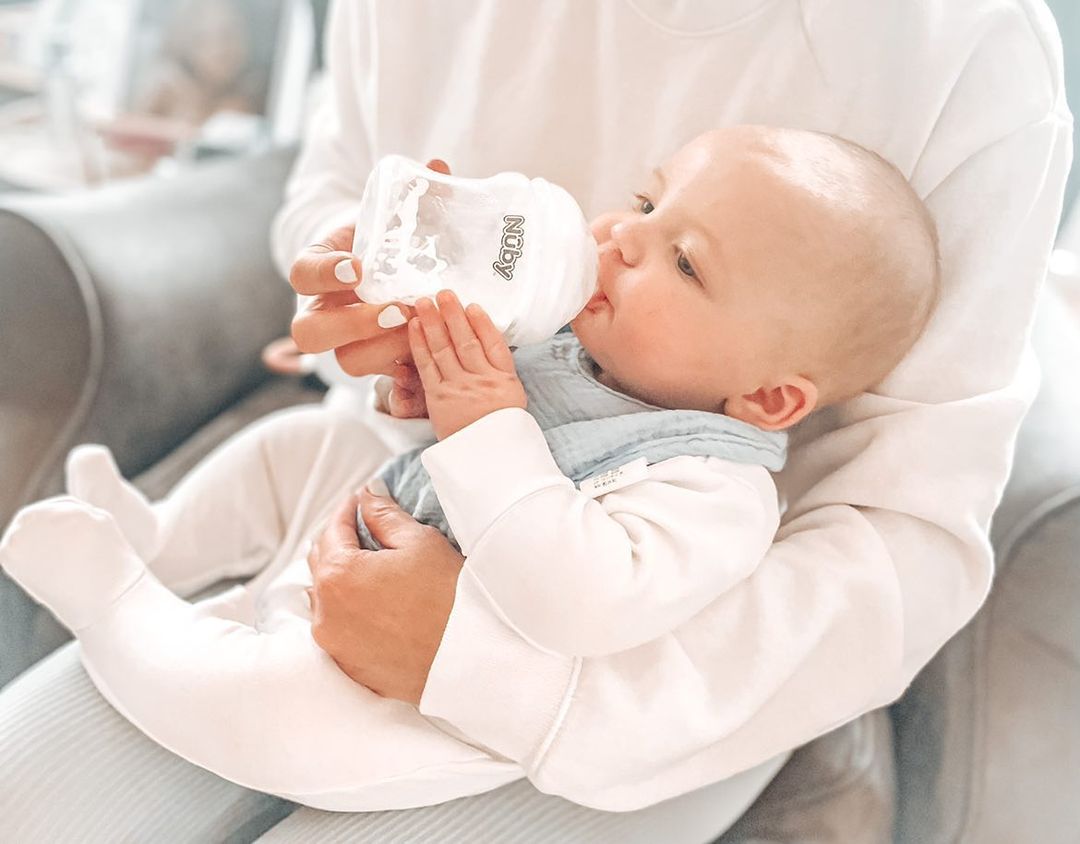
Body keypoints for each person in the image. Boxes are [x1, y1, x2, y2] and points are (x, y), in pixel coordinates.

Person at [0, 1, 1069, 840]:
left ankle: (134, 612)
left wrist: (491, 668)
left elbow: (905, 537)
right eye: (644, 205)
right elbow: (332, 172)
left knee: (267, 723)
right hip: (386, 508)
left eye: (685, 256)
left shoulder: (964, 53)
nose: (616, 235)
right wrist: (355, 265)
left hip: (655, 670)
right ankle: (151, 547)